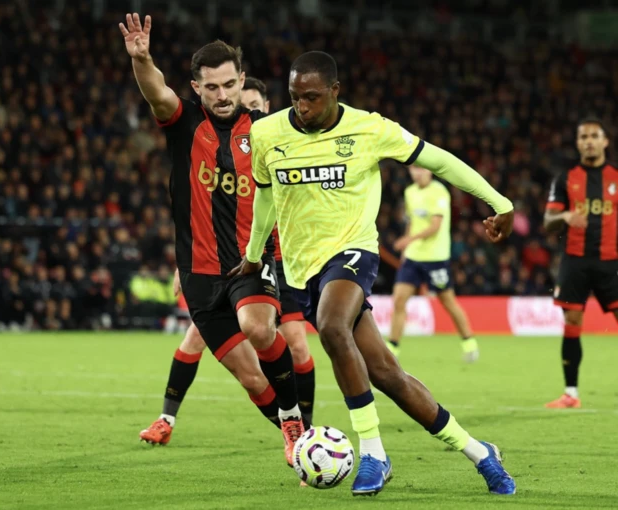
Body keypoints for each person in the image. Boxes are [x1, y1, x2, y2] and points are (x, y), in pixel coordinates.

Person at [230, 51, 516, 496]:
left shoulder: (369, 128)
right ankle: (480, 453)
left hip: (353, 252)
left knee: (330, 326)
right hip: (301, 269)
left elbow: (438, 159)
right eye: (294, 97)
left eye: (312, 97)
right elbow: (265, 199)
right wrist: (252, 253)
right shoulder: (266, 133)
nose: (302, 107)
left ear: (335, 92)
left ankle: (374, 455)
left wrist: (499, 202)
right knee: (386, 374)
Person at [119, 14, 304, 464]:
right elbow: (156, 91)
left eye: (229, 85)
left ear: (242, 81)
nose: (222, 96)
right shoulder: (184, 123)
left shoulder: (265, 132)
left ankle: (296, 421)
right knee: (250, 379)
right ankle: (300, 440)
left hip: (248, 263)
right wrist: (142, 59)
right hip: (199, 273)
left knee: (259, 328)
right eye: (212, 87)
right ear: (197, 87)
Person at [140, 78, 316, 443]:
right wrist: (184, 261)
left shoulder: (280, 146)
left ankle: (306, 428)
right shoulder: (223, 150)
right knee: (201, 344)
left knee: (294, 344)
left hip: (280, 261)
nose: (242, 108)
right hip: (219, 265)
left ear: (265, 106)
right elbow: (205, 213)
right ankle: (166, 419)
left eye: (252, 102)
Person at [544, 117, 618, 409]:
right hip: (575, 261)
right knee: (572, 323)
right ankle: (570, 393)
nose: (588, 140)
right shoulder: (566, 178)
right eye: (583, 136)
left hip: (611, 262)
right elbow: (548, 222)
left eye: (594, 136)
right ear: (577, 143)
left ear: (604, 141)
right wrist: (564, 217)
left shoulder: (615, 176)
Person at [388, 165, 478, 363]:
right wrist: (406, 248)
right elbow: (412, 221)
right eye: (414, 168)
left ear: (429, 171)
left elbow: (435, 227)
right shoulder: (409, 191)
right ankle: (392, 347)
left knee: (447, 301)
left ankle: (469, 342)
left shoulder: (439, 192)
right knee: (399, 300)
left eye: (421, 168)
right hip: (413, 257)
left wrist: (408, 240)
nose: (417, 172)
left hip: (435, 258)